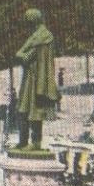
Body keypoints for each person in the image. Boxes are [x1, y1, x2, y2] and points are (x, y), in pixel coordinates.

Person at [14, 9, 60, 150]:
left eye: (28, 22)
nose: (27, 26)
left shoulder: (44, 36)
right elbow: (21, 54)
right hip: (29, 77)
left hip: (38, 79)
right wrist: (24, 56)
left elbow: (26, 55)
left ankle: (35, 142)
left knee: (35, 110)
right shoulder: (37, 36)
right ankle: (23, 140)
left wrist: (25, 56)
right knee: (23, 109)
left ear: (33, 21)